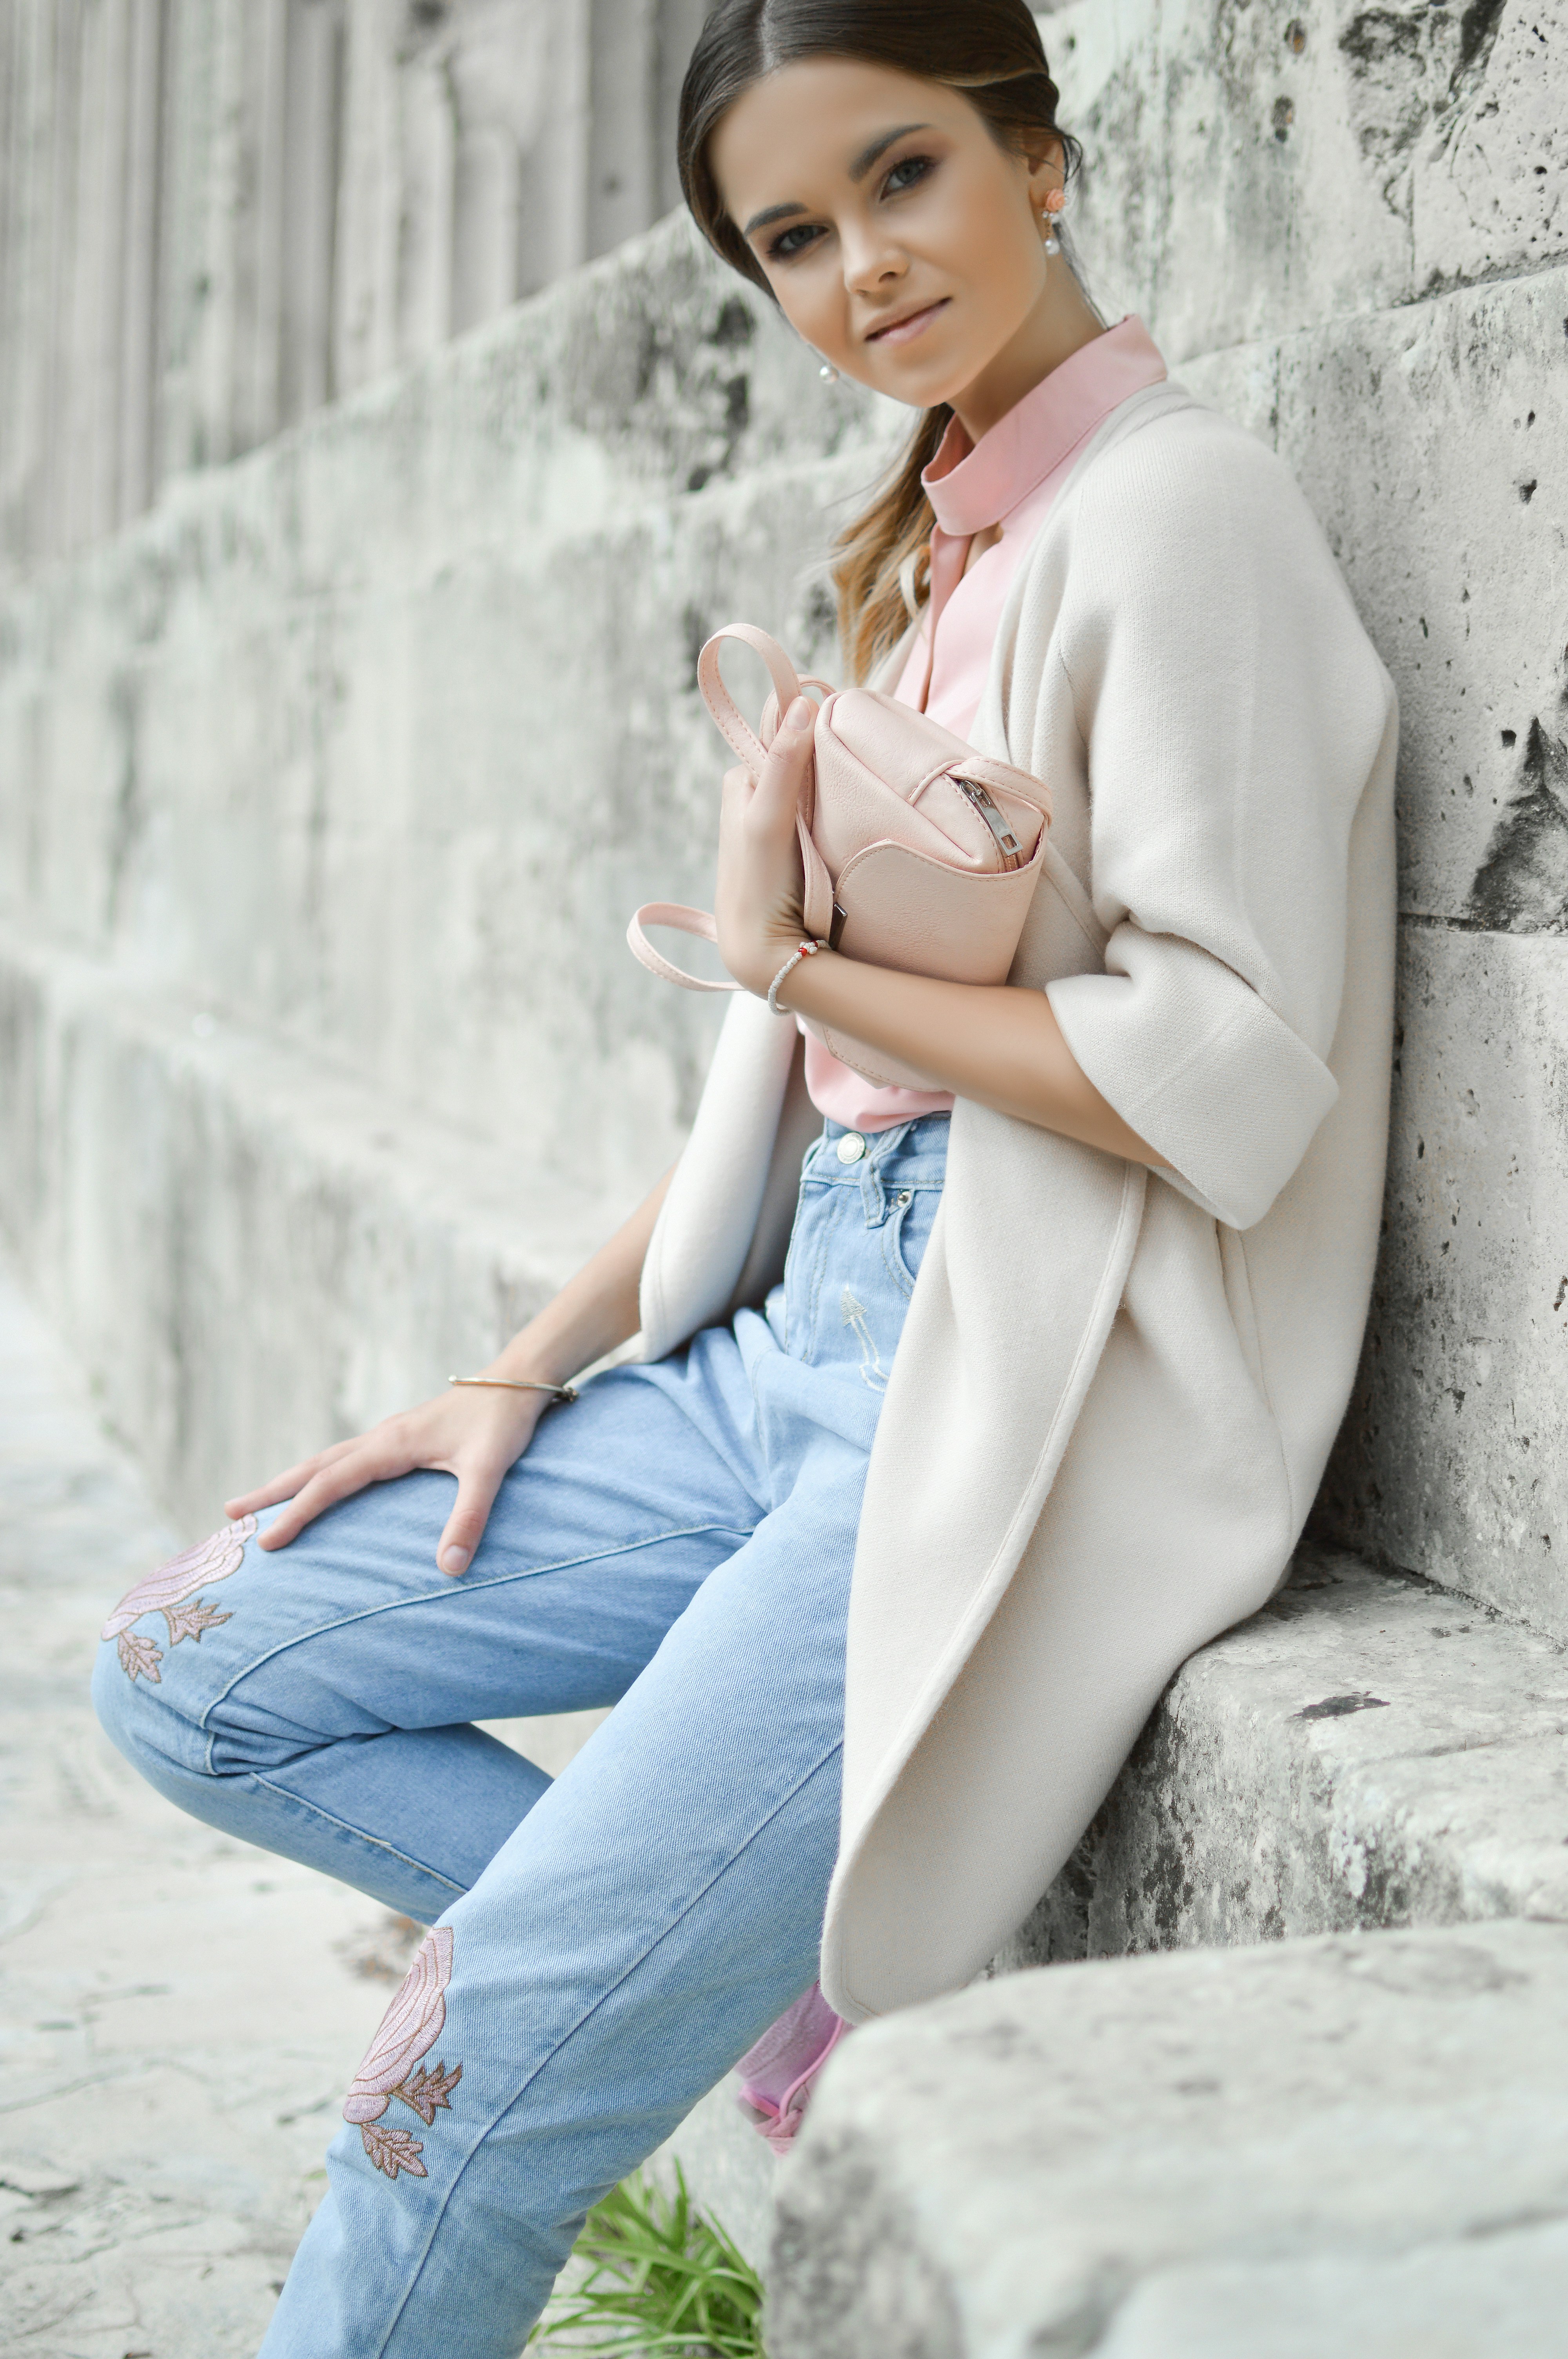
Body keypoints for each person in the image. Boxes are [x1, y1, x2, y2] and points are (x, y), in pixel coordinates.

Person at [91, 4, 1397, 2351]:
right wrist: (515, 1367)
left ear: (1043, 154)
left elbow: (1231, 1072)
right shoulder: (938, 549)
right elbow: (808, 1099)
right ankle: (705, 1986)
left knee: (446, 2095)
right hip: (781, 1363)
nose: (862, 270)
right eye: (792, 236)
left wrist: (798, 955)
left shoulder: (1179, 515)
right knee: (188, 1662)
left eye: (904, 177)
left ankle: (571, 2020)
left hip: (985, 1408)